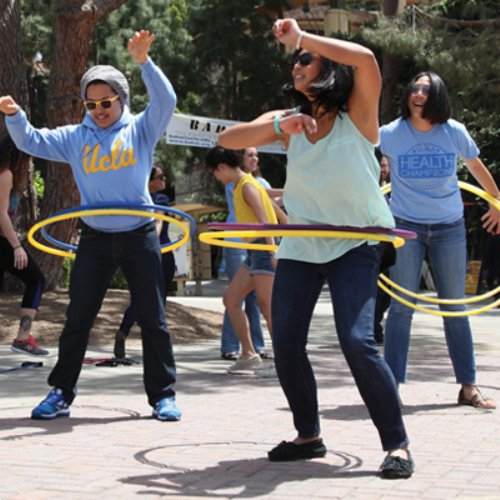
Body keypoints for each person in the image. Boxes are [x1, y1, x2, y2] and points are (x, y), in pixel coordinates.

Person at [219, 19, 413, 479]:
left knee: (356, 341)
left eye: (306, 59)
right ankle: (309, 436)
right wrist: (281, 124)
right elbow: (227, 142)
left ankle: (397, 444)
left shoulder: (359, 118)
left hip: (356, 241)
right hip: (303, 245)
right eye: (295, 60)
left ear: (330, 69)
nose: (297, 63)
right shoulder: (286, 124)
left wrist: (303, 36)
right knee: (286, 342)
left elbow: (365, 60)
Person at [0, 30, 181, 422]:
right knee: (77, 318)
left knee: (153, 318)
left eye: (106, 102)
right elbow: (31, 141)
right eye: (91, 103)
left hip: (139, 237)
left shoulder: (140, 130)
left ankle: (163, 395)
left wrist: (143, 62)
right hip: (95, 239)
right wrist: (15, 115)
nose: (99, 109)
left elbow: (166, 101)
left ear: (121, 100)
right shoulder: (75, 138)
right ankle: (61, 391)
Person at [380, 71, 500, 410]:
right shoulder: (390, 133)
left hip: (449, 227)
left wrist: (497, 202)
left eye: (426, 90)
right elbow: (361, 161)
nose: (418, 94)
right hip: (406, 227)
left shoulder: (454, 132)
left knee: (454, 308)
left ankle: (468, 386)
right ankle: (391, 387)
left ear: (438, 98)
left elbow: (477, 167)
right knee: (402, 307)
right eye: (414, 88)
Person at [205, 146, 277, 374]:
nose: (216, 178)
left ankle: (286, 361)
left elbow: (266, 220)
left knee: (268, 307)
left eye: (214, 173)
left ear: (222, 167)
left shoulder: (247, 186)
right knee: (231, 299)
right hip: (254, 249)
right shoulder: (241, 186)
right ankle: (247, 354)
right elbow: (278, 212)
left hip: (264, 248)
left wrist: (274, 251)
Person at [114, 165, 176, 359]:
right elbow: (159, 221)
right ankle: (156, 346)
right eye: (161, 177)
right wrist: (154, 247)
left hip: (139, 252)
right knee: (157, 301)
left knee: (140, 297)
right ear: (149, 182)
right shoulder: (160, 199)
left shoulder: (135, 200)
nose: (164, 179)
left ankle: (123, 330)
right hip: (160, 253)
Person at [219, 147, 268, 362]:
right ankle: (239, 349)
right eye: (250, 155)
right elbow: (270, 207)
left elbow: (269, 213)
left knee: (261, 301)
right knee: (234, 297)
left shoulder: (255, 184)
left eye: (256, 155)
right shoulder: (237, 182)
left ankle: (257, 348)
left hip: (260, 244)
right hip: (240, 242)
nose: (254, 158)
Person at [0, 136, 47, 357]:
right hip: (2, 240)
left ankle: (23, 339)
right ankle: (22, 338)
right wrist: (17, 246)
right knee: (36, 280)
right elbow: (1, 215)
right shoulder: (5, 174)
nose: (29, 163)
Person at [373, 148, 391, 345]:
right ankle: (374, 330)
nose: (382, 169)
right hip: (372, 244)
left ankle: (376, 326)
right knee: (376, 291)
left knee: (387, 293)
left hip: (390, 246)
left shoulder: (393, 189)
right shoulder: (368, 185)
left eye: (385, 166)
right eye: (380, 165)